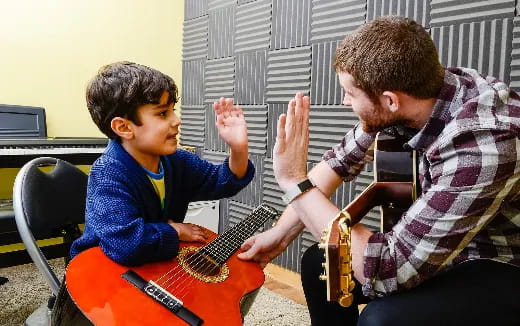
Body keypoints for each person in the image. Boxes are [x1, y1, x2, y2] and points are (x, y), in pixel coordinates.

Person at [238, 16, 520, 326]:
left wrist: (294, 180)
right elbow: (337, 163)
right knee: (321, 264)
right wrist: (280, 236)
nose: (345, 101)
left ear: (389, 100)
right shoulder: (418, 95)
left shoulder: (483, 145)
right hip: (444, 244)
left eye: (349, 93)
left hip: (500, 260)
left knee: (382, 320)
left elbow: (388, 269)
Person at [53, 61, 254, 325]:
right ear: (124, 127)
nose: (176, 120)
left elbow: (222, 182)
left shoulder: (176, 161)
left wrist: (238, 150)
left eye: (173, 110)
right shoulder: (108, 172)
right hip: (105, 274)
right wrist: (176, 231)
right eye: (162, 114)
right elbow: (125, 244)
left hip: (152, 263)